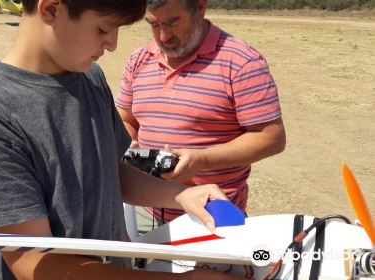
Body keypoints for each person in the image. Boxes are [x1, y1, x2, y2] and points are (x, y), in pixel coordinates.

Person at [0, 0, 246, 279]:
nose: (113, 44)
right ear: (51, 9)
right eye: (103, 29)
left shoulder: (90, 78)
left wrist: (180, 195)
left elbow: (110, 171)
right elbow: (33, 262)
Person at [115, 0, 286, 223]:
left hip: (214, 213)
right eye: (153, 24)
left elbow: (271, 137)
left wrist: (202, 159)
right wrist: (127, 143)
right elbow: (127, 119)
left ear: (200, 7)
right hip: (146, 214)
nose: (163, 36)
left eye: (172, 22)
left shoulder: (242, 62)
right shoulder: (139, 59)